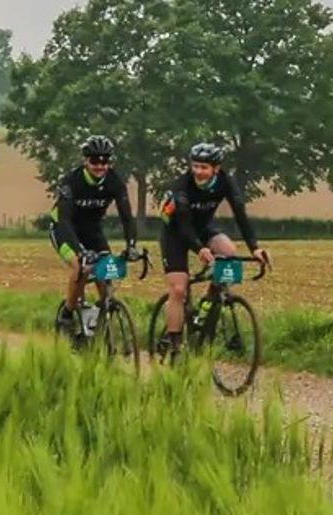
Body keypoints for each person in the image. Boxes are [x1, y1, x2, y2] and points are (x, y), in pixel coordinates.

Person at [156, 142, 272, 356]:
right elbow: (183, 224)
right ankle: (175, 346)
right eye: (196, 166)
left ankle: (209, 303)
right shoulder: (182, 185)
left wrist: (255, 248)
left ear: (216, 169)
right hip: (176, 233)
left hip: (204, 228)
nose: (198, 172)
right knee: (179, 290)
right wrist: (199, 249)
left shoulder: (226, 182)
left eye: (204, 167)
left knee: (229, 253)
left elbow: (240, 215)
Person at [48, 135, 140, 343]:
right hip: (65, 229)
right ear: (85, 161)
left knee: (104, 276)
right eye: (95, 161)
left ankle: (100, 323)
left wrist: (132, 246)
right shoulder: (71, 183)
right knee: (79, 267)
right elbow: (64, 220)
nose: (100, 166)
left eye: (104, 161)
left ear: (110, 162)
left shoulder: (114, 181)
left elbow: (127, 217)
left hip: (92, 230)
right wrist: (81, 253)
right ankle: (68, 315)